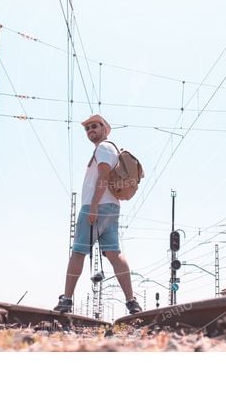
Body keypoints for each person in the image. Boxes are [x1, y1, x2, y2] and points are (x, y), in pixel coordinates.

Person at [54, 114, 142, 315]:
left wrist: (93, 205)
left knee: (78, 251)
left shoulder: (103, 148)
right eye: (87, 128)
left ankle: (66, 299)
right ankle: (131, 302)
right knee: (114, 253)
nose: (90, 130)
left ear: (105, 129)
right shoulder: (111, 149)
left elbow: (103, 176)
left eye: (95, 126)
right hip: (112, 207)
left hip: (96, 206)